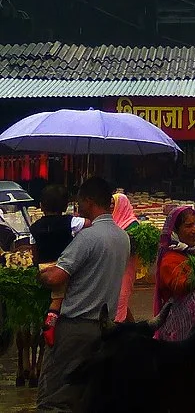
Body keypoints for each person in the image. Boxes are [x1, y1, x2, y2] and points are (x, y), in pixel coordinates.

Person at [36, 176, 130, 413]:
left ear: (89, 201)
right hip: (104, 329)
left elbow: (56, 278)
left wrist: (42, 274)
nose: (77, 207)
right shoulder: (123, 237)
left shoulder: (88, 237)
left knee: (55, 398)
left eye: (79, 202)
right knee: (88, 397)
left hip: (76, 328)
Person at [30, 185, 87, 345]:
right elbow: (88, 223)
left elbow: (34, 250)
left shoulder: (35, 227)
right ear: (65, 205)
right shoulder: (71, 222)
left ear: (41, 206)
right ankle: (50, 324)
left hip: (44, 267)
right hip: (62, 266)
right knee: (58, 297)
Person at [153, 205, 195, 341]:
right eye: (188, 226)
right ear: (175, 230)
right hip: (176, 335)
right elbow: (178, 285)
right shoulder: (169, 259)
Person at [111, 192, 138, 322]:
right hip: (113, 268)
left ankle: (119, 328)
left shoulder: (132, 224)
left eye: (114, 204)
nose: (111, 206)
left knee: (120, 298)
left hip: (125, 269)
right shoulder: (113, 221)